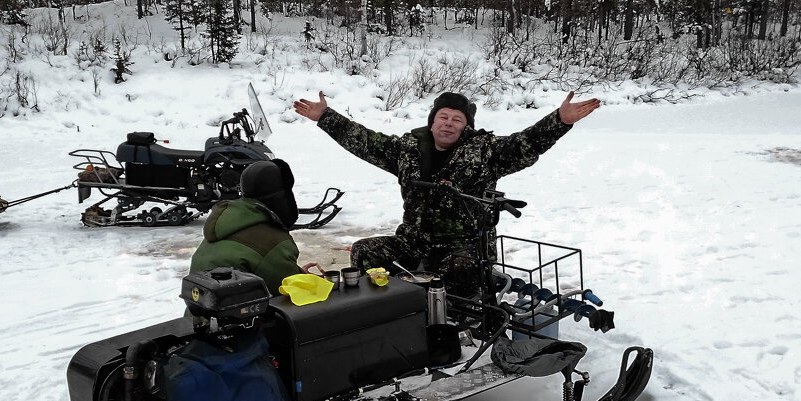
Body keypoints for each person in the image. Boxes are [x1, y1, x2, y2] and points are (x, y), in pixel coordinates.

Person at [293, 90, 601, 296]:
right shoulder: (407, 150)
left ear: (466, 126)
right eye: (443, 116)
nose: (449, 123)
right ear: (433, 121)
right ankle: (380, 312)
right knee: (365, 251)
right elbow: (363, 141)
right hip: (413, 242)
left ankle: (456, 326)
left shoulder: (485, 152)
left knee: (461, 270)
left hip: (462, 247)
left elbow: (526, 143)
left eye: (457, 119)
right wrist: (326, 117)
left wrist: (559, 121)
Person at [189, 159, 303, 295]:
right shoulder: (272, 240)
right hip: (239, 316)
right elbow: (292, 286)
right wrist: (303, 276)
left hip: (197, 313)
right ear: (281, 197)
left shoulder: (227, 223)